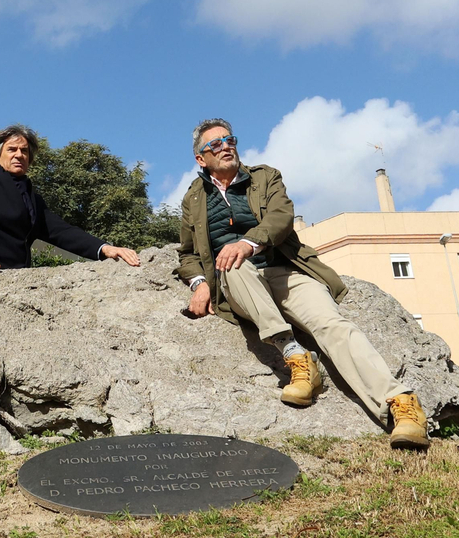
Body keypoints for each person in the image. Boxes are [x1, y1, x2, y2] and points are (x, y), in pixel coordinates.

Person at [176, 118, 430, 451]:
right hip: (238, 283)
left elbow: (280, 218)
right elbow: (188, 253)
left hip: (286, 271)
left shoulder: (265, 177)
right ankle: (295, 356)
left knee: (332, 325)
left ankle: (402, 405)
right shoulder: (194, 198)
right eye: (215, 144)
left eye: (230, 140)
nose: (226, 147)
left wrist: (249, 243)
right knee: (232, 264)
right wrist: (199, 283)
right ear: (201, 159)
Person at [0, 124, 141, 285]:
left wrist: (105, 248)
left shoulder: (31, 198)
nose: (19, 155)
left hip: (21, 284)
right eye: (12, 149)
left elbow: (62, 232)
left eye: (24, 151)